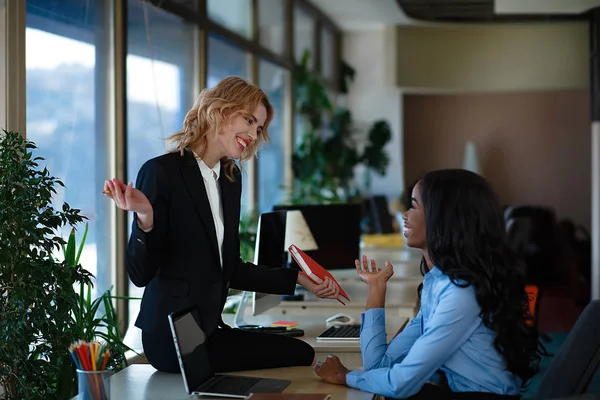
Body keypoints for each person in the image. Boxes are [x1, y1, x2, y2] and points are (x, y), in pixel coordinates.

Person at [103, 76, 339, 374]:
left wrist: (299, 279)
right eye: (249, 120)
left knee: (302, 352)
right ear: (222, 111)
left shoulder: (229, 178)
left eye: (259, 128)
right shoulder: (162, 172)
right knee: (298, 356)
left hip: (210, 329)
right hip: (172, 338)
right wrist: (145, 217)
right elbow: (140, 274)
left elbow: (230, 268)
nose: (254, 134)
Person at [314, 169, 546, 399]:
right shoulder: (437, 283)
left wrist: (345, 376)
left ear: (442, 218)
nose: (404, 215)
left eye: (413, 206)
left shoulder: (460, 293)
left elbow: (400, 383)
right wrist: (376, 288)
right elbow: (379, 367)